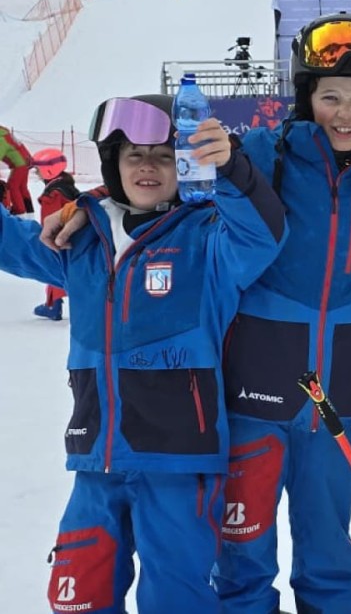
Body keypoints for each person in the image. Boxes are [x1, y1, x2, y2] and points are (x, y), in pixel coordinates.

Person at [1, 94, 285, 612]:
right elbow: (11, 243)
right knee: (79, 593)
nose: (148, 167)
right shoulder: (81, 241)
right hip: (97, 459)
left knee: (176, 597)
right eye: (134, 155)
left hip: (178, 461)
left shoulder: (208, 240)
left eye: (163, 155)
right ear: (113, 165)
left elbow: (262, 235)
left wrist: (230, 167)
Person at [215, 13, 351, 612]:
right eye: (330, 96)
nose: (345, 113)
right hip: (256, 394)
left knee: (330, 548)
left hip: (338, 404)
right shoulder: (262, 155)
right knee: (242, 545)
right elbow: (172, 191)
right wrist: (89, 201)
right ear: (306, 97)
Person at [32, 147, 79, 320]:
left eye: (38, 170)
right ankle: (53, 303)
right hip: (75, 236)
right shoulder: (66, 185)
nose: (37, 174)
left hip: (63, 238)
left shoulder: (53, 194)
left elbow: (50, 221)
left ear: (48, 169)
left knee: (55, 267)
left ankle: (53, 305)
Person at [0, 124, 33, 215]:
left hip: (19, 164)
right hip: (25, 161)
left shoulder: (1, 139)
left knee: (12, 185)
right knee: (22, 187)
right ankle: (29, 210)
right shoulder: (6, 135)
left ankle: (19, 211)